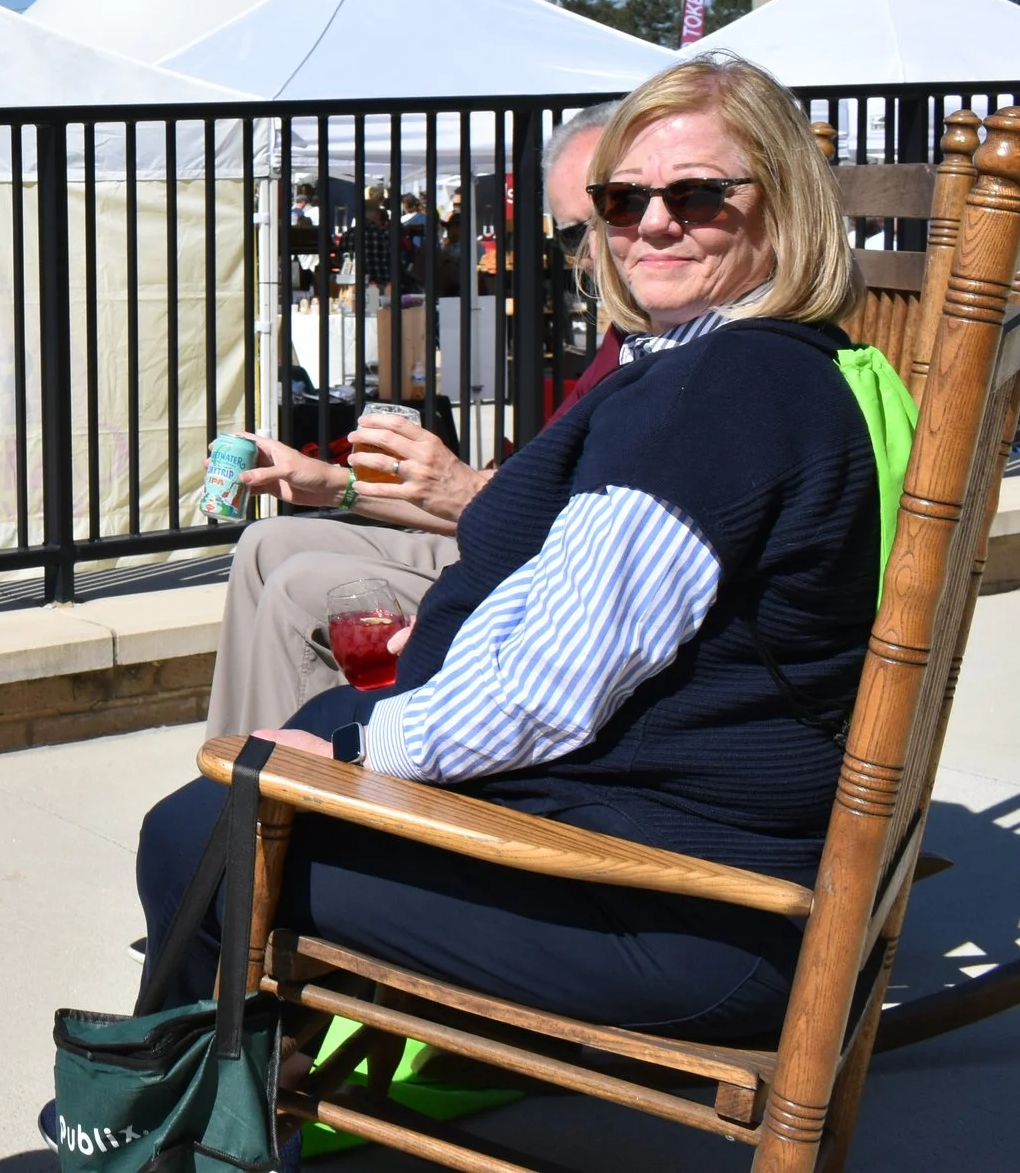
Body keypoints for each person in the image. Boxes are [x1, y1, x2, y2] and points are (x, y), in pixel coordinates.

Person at [143, 53, 894, 1044]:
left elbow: (549, 686)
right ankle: (238, 1083)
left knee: (202, 833)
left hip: (686, 913)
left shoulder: (719, 394)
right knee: (294, 742)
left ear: (782, 207)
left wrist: (367, 748)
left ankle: (178, 1131)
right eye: (621, 201)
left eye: (698, 195)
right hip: (670, 861)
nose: (650, 224)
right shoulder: (743, 365)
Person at [205, 101, 621, 739]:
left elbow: (581, 539)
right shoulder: (634, 340)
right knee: (267, 543)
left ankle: (271, 808)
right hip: (512, 547)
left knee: (302, 585)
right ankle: (233, 789)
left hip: (539, 583)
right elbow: (514, 503)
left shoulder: (708, 361)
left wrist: (465, 488)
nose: (596, 252)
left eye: (619, 208)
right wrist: (332, 483)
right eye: (573, 234)